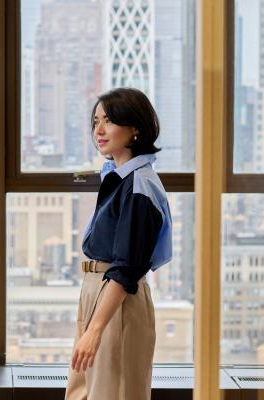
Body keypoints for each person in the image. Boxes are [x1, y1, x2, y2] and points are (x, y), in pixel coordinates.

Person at [64, 87, 172, 400]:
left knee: (115, 393)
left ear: (134, 128)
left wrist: (95, 329)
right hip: (97, 290)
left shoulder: (139, 185)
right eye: (95, 121)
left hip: (116, 298)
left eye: (108, 121)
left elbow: (126, 268)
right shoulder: (121, 177)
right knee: (83, 393)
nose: (98, 130)